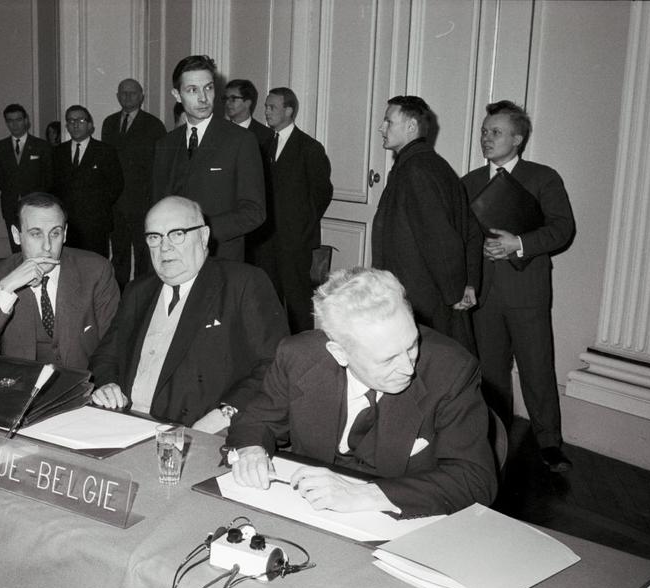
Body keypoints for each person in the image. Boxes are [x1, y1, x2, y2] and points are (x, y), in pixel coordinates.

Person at [227, 267, 497, 517]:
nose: (407, 368)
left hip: (402, 520)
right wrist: (251, 450)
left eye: (412, 345)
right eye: (388, 359)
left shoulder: (451, 370)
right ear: (339, 353)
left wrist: (362, 496)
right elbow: (255, 420)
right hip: (308, 512)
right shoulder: (298, 356)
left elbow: (474, 479)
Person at [90, 196, 288, 433]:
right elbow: (105, 356)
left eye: (177, 234)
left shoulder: (241, 284)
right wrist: (107, 384)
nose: (165, 247)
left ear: (203, 236)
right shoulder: (138, 292)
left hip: (204, 430)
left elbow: (275, 364)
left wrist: (226, 413)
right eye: (155, 237)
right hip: (126, 422)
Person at [462, 100, 576, 472]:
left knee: (537, 368)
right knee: (491, 374)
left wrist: (519, 243)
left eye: (495, 132)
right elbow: (462, 237)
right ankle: (496, 440)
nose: (486, 138)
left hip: (527, 291)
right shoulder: (470, 183)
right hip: (485, 294)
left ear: (518, 138)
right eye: (484, 131)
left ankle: (549, 444)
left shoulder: (543, 178)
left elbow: (562, 229)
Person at [0, 193, 119, 370]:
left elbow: (116, 346)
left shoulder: (95, 270)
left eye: (55, 233)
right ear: (16, 235)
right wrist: (6, 289)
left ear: (64, 234)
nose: (47, 246)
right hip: (22, 389)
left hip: (83, 387)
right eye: (36, 234)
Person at [371, 95, 481, 353]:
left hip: (422, 299)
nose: (381, 128)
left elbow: (441, 239)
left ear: (411, 126)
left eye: (388, 121)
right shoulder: (430, 164)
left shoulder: (415, 170)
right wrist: (468, 283)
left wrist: (455, 293)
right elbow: (472, 230)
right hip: (429, 295)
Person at [151, 56, 265, 261]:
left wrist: (202, 232)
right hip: (172, 260)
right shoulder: (165, 144)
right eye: (193, 90)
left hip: (219, 260)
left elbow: (254, 212)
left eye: (209, 88)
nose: (203, 98)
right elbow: (157, 204)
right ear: (177, 94)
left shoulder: (240, 140)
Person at [256, 87, 333, 333]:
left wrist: (301, 227)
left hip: (294, 242)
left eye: (272, 107)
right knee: (269, 300)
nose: (266, 112)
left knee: (298, 302)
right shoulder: (263, 144)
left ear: (289, 110)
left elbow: (321, 194)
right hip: (265, 241)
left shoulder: (309, 147)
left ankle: (302, 353)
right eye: (266, 107)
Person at [101, 79, 167, 289]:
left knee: (143, 252)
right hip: (116, 202)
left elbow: (159, 166)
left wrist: (154, 200)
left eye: (132, 93)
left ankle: (142, 293)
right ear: (117, 96)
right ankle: (119, 296)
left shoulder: (154, 125)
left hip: (143, 202)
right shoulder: (109, 123)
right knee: (118, 252)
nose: (127, 96)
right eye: (123, 93)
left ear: (141, 96)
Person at [51, 105, 124, 257]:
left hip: (95, 223)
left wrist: (95, 206)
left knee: (95, 265)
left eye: (80, 120)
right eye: (70, 121)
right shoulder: (58, 152)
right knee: (69, 264)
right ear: (66, 126)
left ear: (90, 125)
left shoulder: (105, 151)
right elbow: (52, 186)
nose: (75, 124)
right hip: (66, 223)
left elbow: (116, 185)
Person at [0, 104, 53, 253]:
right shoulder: (0, 146)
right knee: (16, 244)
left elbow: (49, 176)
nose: (14, 124)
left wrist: (37, 195)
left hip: (36, 203)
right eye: (10, 121)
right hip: (10, 203)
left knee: (37, 241)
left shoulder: (41, 146)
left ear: (26, 121)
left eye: (18, 120)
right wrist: (12, 189)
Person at [223, 79, 271, 148]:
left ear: (247, 103)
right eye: (226, 98)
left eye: (233, 98)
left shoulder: (265, 135)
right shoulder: (219, 131)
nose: (227, 103)